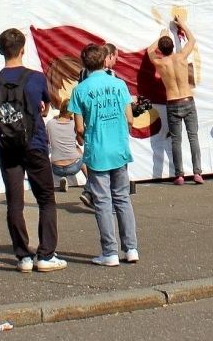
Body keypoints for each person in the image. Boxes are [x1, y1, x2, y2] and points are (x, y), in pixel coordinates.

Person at [0, 28, 65, 272]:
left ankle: (23, 256)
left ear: (0, 51)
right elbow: (46, 107)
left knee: (14, 202)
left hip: (7, 146)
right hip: (35, 144)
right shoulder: (36, 78)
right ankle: (46, 255)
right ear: (23, 49)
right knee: (46, 199)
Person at [72, 43, 138, 267]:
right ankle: (131, 248)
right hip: (118, 147)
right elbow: (130, 118)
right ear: (104, 61)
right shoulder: (119, 84)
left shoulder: (80, 90)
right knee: (122, 198)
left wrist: (84, 139)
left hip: (97, 150)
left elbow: (79, 128)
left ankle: (109, 251)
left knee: (102, 202)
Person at [148, 17, 203, 184]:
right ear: (173, 47)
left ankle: (179, 174)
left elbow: (150, 51)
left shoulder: (160, 62)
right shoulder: (181, 57)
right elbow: (192, 40)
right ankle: (197, 172)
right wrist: (182, 25)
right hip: (187, 99)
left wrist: (160, 38)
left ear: (161, 49)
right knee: (193, 137)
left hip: (172, 102)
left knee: (176, 139)